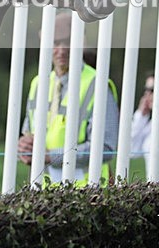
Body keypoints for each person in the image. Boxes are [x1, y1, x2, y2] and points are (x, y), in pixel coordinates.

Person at [17, 13, 119, 184]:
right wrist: (24, 147)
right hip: (44, 194)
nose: (61, 50)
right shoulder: (38, 84)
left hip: (88, 193)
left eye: (68, 42)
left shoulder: (98, 84)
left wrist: (52, 157)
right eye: (56, 43)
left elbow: (106, 149)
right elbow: (28, 133)